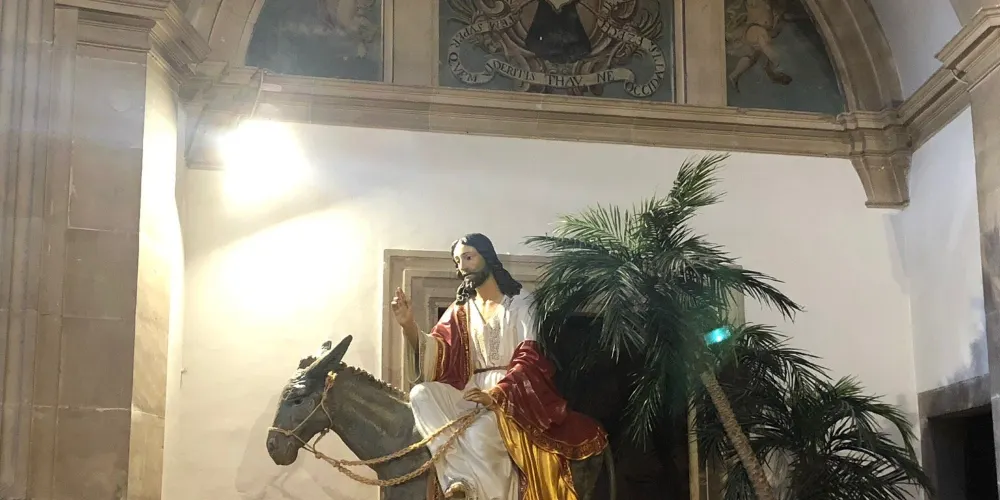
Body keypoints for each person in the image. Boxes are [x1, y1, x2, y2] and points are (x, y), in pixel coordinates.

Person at [390, 233, 607, 500]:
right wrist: (409, 326)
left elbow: (530, 357)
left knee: (479, 435)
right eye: (458, 261)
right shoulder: (461, 309)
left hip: (512, 396)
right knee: (420, 394)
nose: (463, 267)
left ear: (487, 257)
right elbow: (439, 353)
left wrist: (496, 395)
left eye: (468, 257)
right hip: (469, 392)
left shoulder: (520, 303)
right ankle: (458, 480)